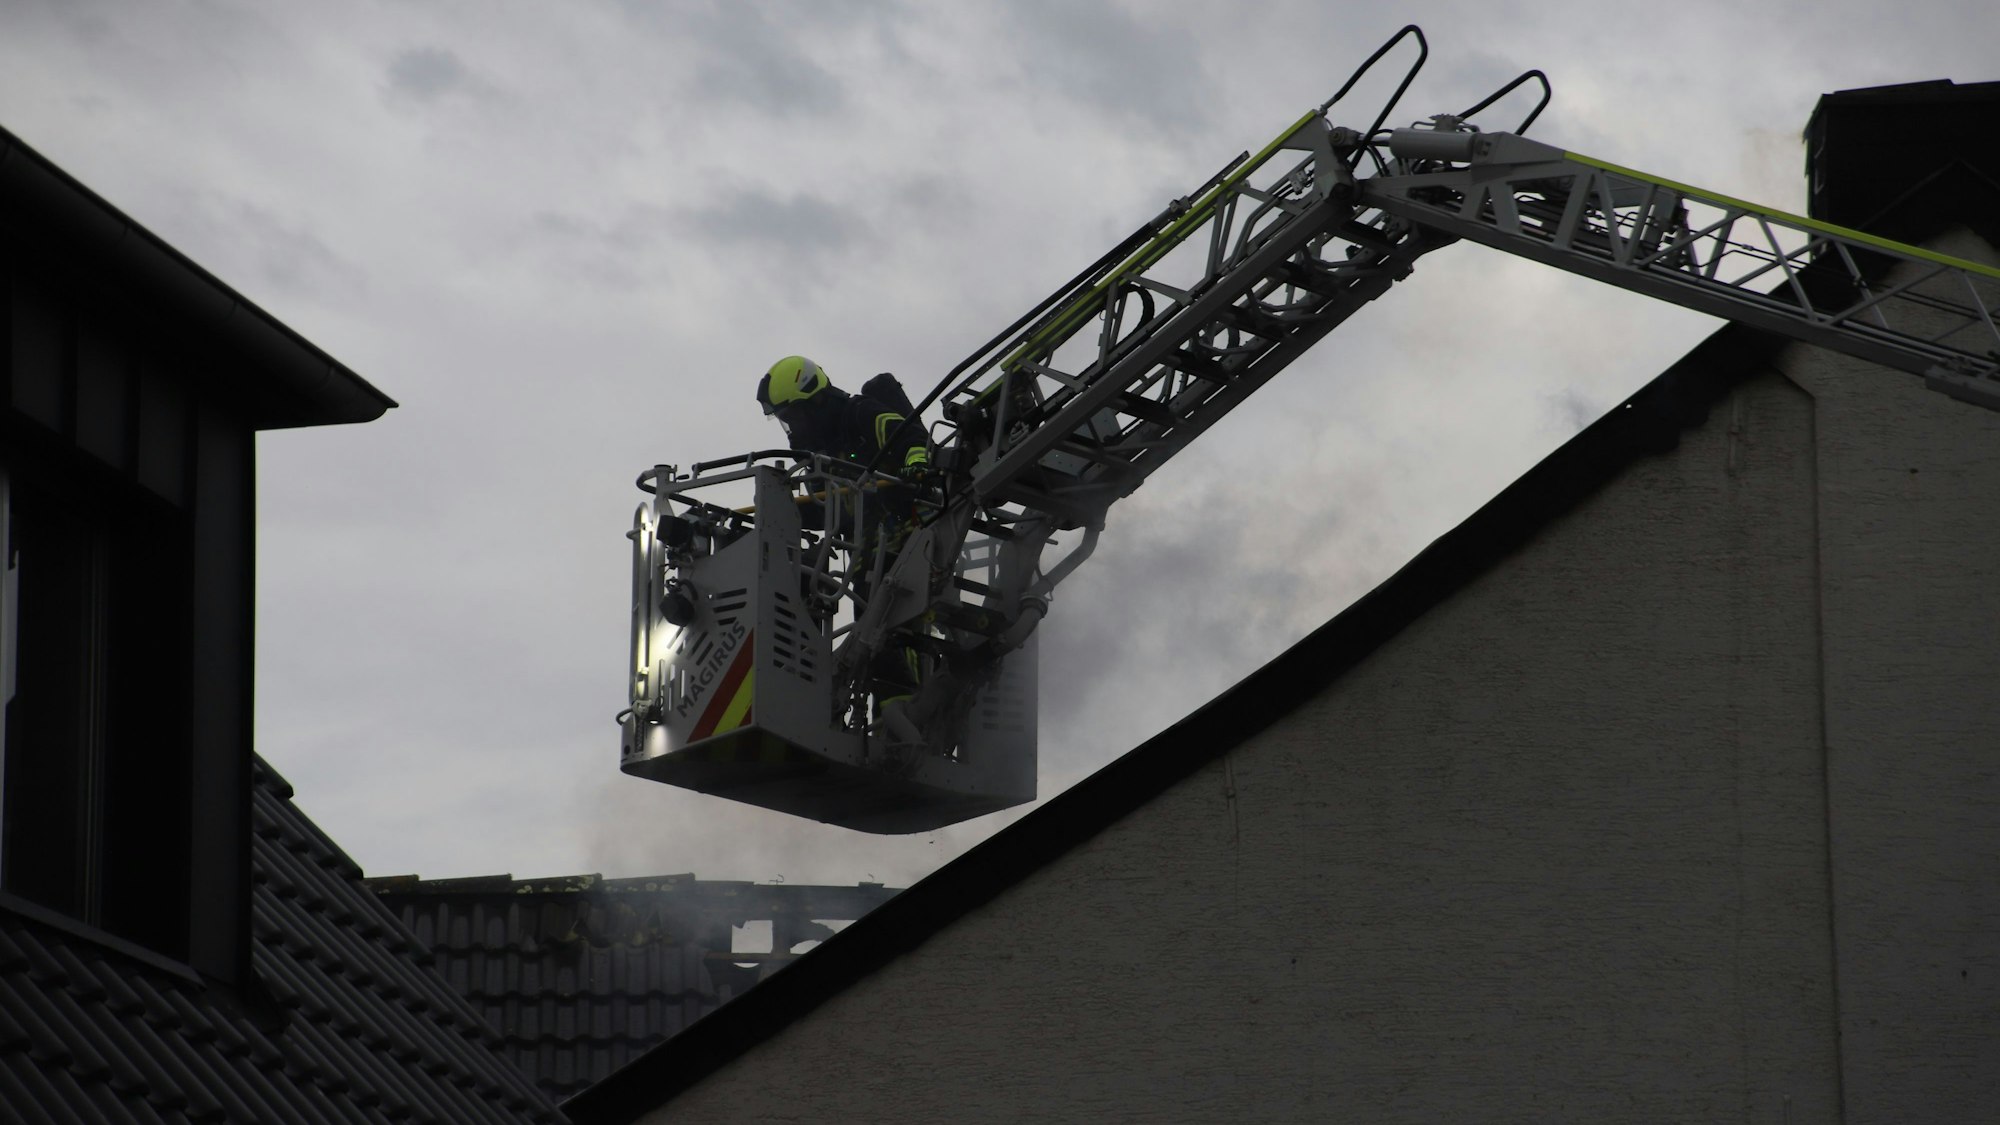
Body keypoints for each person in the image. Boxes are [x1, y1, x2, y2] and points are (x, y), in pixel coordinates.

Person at [756, 356, 931, 740]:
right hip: (867, 544)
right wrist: (782, 518)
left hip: (908, 530)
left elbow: (912, 440)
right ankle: (886, 712)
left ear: (815, 402)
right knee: (871, 626)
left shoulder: (860, 414)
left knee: (898, 619)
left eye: (794, 415)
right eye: (785, 419)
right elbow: (824, 507)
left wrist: (915, 467)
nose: (792, 426)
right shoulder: (814, 452)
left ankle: (912, 708)